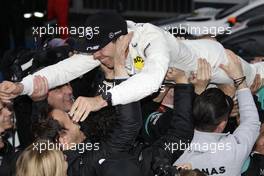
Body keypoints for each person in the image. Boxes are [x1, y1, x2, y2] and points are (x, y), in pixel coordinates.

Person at [1, 11, 264, 122]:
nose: (96, 58)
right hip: (197, 82)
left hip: (218, 63)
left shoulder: (151, 38)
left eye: (101, 51)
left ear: (118, 40)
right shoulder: (104, 47)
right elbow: (65, 69)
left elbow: (150, 81)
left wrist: (100, 101)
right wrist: (21, 86)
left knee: (258, 80)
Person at [174, 48, 261, 176]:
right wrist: (240, 79)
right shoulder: (232, 149)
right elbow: (252, 122)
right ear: (221, 124)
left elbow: (251, 122)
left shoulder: (173, 145)